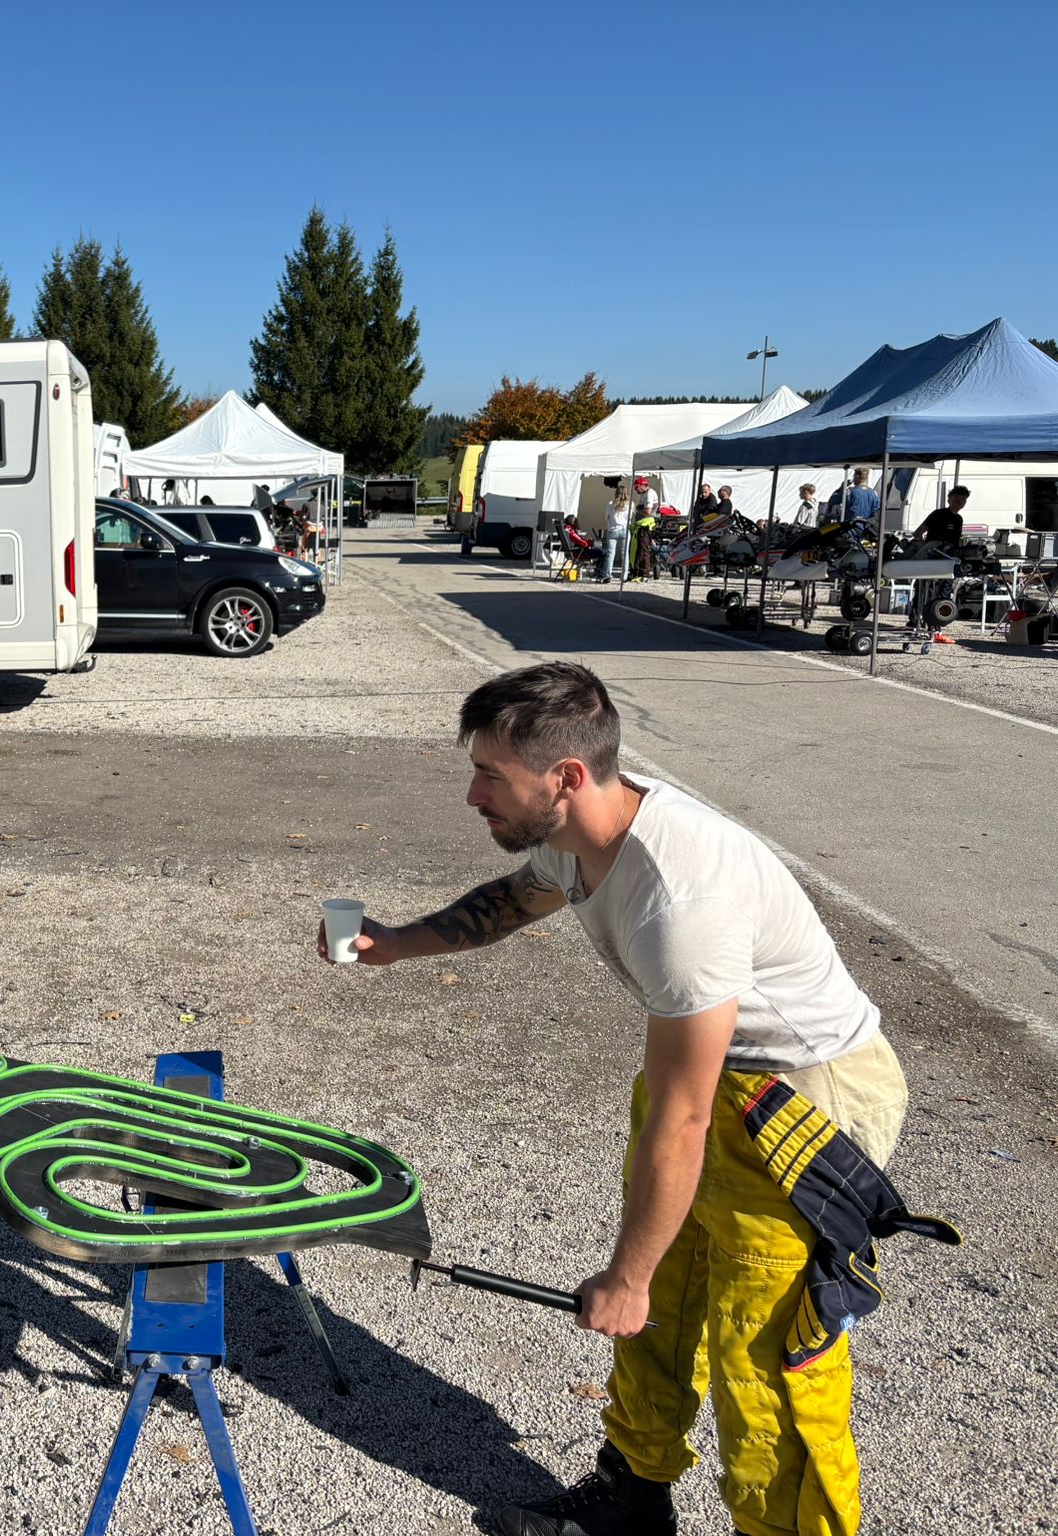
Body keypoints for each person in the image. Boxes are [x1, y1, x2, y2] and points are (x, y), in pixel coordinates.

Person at [323, 662, 935, 1536]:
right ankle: (632, 1498)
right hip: (709, 1082)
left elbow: (682, 1119)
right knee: (654, 1313)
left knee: (762, 1362)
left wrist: (628, 1273)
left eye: (490, 774)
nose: (472, 794)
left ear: (564, 778)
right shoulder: (582, 835)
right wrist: (396, 942)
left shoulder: (681, 902)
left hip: (804, 1102)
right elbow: (513, 900)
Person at [601, 488, 632, 582]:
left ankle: (608, 575)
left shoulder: (611, 504)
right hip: (625, 530)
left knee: (610, 553)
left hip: (612, 530)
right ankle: (624, 576)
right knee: (625, 554)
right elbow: (629, 518)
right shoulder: (630, 504)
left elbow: (606, 517)